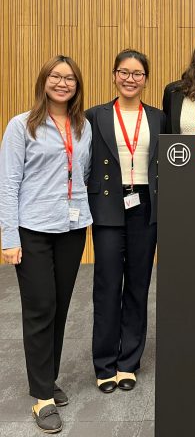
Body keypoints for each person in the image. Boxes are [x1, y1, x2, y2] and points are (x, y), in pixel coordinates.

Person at [0, 55, 92, 433]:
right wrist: (8, 237)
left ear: (77, 86)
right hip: (33, 228)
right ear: (43, 81)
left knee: (60, 306)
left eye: (70, 78)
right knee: (40, 309)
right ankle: (41, 397)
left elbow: (82, 173)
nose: (63, 83)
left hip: (71, 228)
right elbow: (8, 183)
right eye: (56, 76)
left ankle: (47, 378)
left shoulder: (82, 126)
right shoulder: (22, 126)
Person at [86, 49, 165, 394]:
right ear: (114, 75)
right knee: (106, 287)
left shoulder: (159, 117)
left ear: (146, 79)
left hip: (145, 204)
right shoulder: (95, 116)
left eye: (137, 73)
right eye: (124, 72)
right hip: (107, 204)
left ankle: (127, 363)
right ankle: (104, 364)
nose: (130, 79)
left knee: (138, 284)